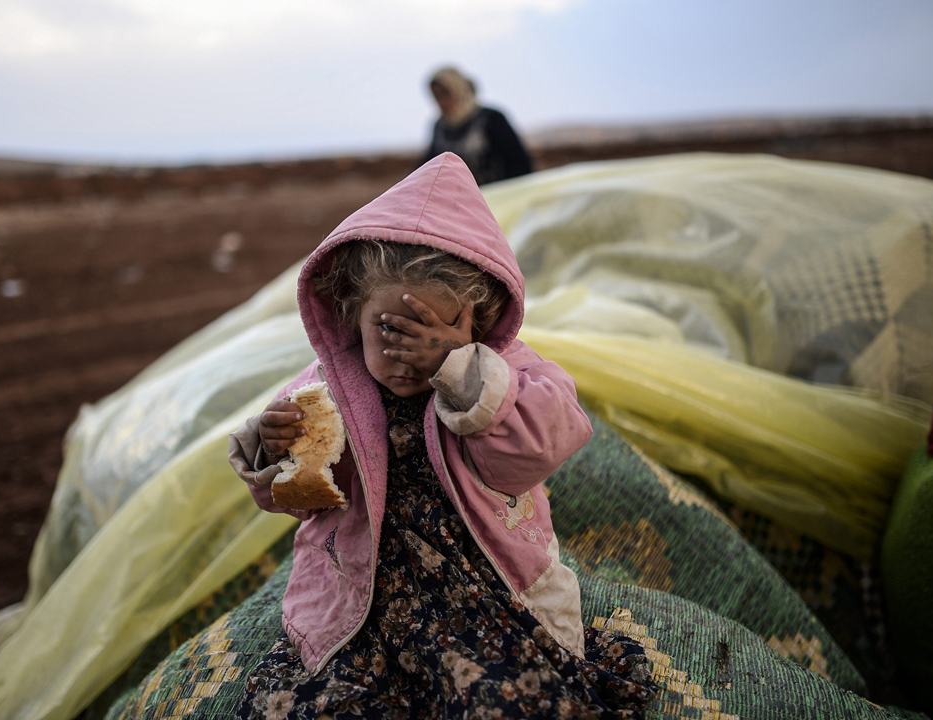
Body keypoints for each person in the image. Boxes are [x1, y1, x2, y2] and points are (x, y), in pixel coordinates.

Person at [227, 152, 657, 719]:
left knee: (503, 700)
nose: (413, 351)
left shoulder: (508, 373)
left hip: (477, 586)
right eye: (391, 328)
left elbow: (528, 456)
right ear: (352, 311)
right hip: (364, 591)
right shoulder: (326, 388)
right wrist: (273, 449)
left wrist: (459, 371)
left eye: (441, 328)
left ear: (480, 319)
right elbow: (302, 499)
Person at [421, 66, 535, 186]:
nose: (441, 102)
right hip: (457, 196)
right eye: (436, 96)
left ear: (459, 90)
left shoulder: (491, 119)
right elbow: (429, 167)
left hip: (498, 193)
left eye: (445, 94)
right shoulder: (440, 127)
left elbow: (519, 163)